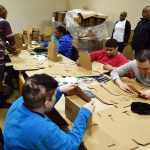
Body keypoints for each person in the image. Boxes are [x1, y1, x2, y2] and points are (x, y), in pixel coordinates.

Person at [4, 74, 95, 150]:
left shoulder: (19, 102)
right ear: (47, 103)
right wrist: (84, 114)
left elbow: (42, 108)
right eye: (54, 94)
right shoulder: (44, 129)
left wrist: (59, 90)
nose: (55, 94)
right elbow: (71, 146)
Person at [0, 5, 19, 108]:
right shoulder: (3, 22)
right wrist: (14, 49)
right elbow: (10, 38)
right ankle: (1, 102)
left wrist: (8, 48)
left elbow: (2, 39)